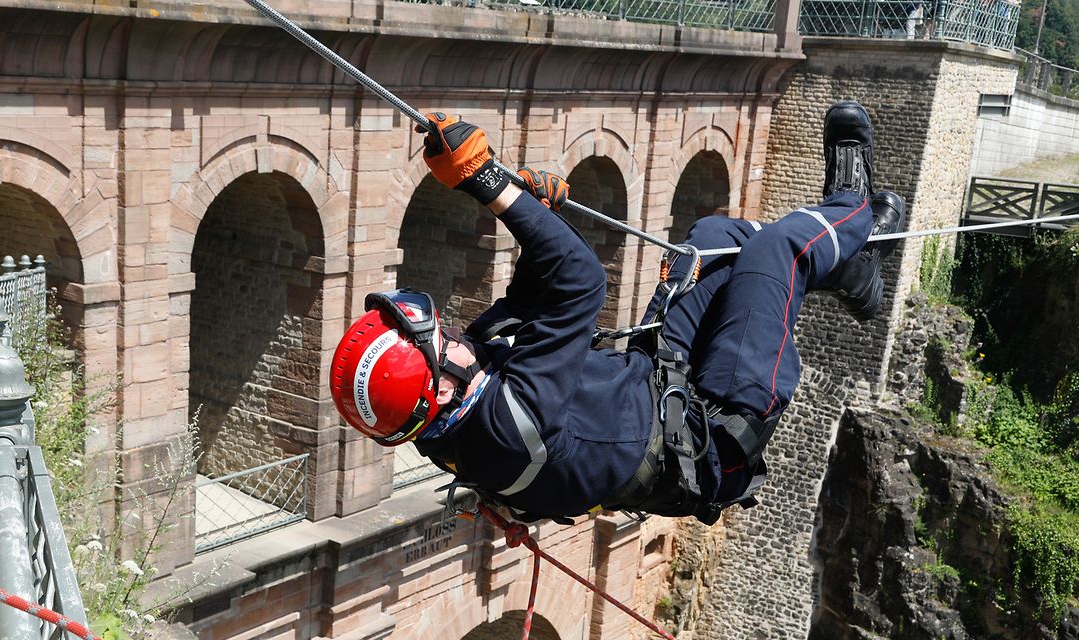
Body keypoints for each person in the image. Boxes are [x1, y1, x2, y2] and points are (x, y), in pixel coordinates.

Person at [329, 101, 906, 524]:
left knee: (711, 240)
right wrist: (487, 185)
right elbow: (580, 283)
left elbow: (532, 299)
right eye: (440, 341)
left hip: (662, 382)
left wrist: (530, 208)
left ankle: (854, 272)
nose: (455, 332)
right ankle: (855, 210)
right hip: (715, 430)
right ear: (440, 390)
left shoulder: (452, 409)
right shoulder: (502, 426)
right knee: (778, 249)